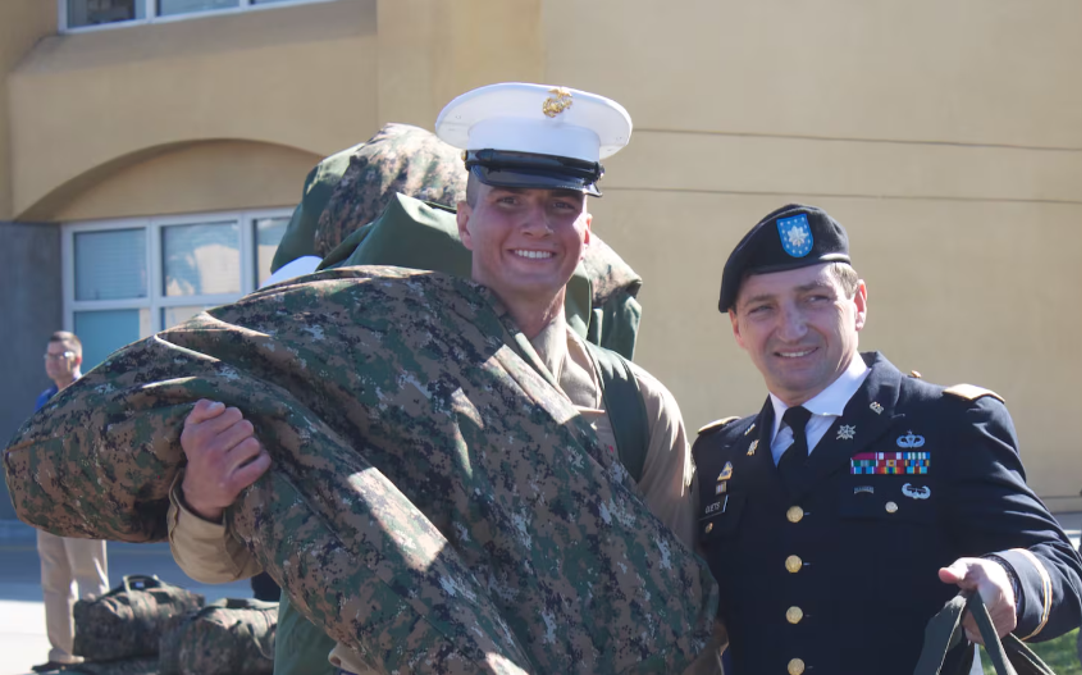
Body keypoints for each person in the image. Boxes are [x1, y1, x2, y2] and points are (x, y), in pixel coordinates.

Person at [166, 83, 714, 675]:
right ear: (465, 221)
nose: (536, 225)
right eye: (507, 201)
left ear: (586, 232)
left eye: (561, 204)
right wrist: (205, 496)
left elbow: (676, 622)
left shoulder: (635, 406)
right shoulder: (358, 369)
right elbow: (221, 562)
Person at [693, 204, 1082, 675]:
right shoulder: (720, 454)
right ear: (738, 328)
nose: (791, 327)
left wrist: (1010, 579)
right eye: (763, 308)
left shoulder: (948, 425)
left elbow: (1063, 567)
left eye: (814, 298)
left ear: (858, 304)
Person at [31, 331, 110, 673]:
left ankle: (97, 654)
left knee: (89, 578)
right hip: (48, 504)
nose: (51, 361)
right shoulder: (44, 399)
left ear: (76, 359)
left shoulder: (91, 393)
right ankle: (62, 654)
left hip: (83, 503)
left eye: (58, 355)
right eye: (48, 355)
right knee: (54, 581)